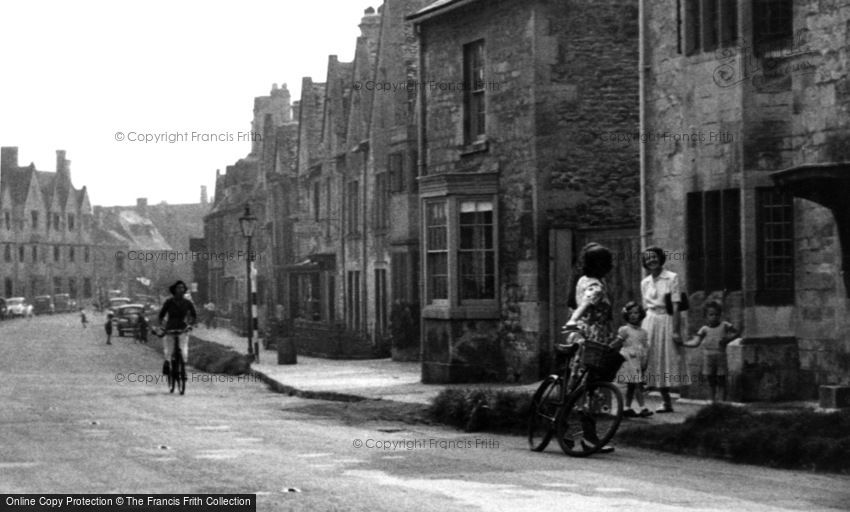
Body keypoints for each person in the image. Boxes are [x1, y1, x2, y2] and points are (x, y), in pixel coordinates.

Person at [563, 243, 622, 453]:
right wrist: (574, 319)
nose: (611, 265)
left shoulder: (584, 279)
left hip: (583, 334)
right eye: (608, 262)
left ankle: (577, 430)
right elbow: (586, 304)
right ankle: (587, 435)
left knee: (580, 384)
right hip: (594, 338)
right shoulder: (595, 286)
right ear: (600, 265)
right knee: (591, 387)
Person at [641, 246, 685, 413]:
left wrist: (675, 330)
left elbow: (676, 306)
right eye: (648, 258)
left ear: (660, 258)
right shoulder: (644, 282)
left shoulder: (672, 278)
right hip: (649, 321)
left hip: (666, 320)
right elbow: (645, 307)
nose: (651, 260)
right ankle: (640, 403)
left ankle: (667, 401)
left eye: (654, 257)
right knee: (648, 359)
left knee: (664, 359)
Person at [684, 300, 739, 402]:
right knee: (710, 379)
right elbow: (696, 342)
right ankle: (712, 400)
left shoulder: (724, 325)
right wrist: (683, 344)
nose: (714, 317)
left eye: (716, 314)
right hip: (708, 357)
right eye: (711, 314)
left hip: (720, 356)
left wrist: (727, 339)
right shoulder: (704, 329)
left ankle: (721, 400)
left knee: (721, 378)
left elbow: (737, 332)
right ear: (706, 316)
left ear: (720, 315)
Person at [617, 301, 652, 418]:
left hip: (638, 361)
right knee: (637, 384)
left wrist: (645, 361)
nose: (633, 315)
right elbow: (617, 342)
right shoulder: (625, 330)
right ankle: (643, 408)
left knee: (632, 386)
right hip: (628, 360)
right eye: (630, 313)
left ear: (641, 314)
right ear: (626, 314)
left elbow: (644, 348)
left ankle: (627, 407)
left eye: (636, 313)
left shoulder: (643, 332)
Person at [158, 280, 197, 375]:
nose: (181, 290)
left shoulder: (187, 303)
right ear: (174, 290)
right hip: (170, 326)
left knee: (183, 349)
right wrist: (162, 326)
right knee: (169, 349)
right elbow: (162, 314)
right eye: (178, 288)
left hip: (182, 327)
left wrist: (190, 325)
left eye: (182, 288)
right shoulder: (169, 302)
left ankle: (183, 366)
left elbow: (193, 315)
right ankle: (167, 363)